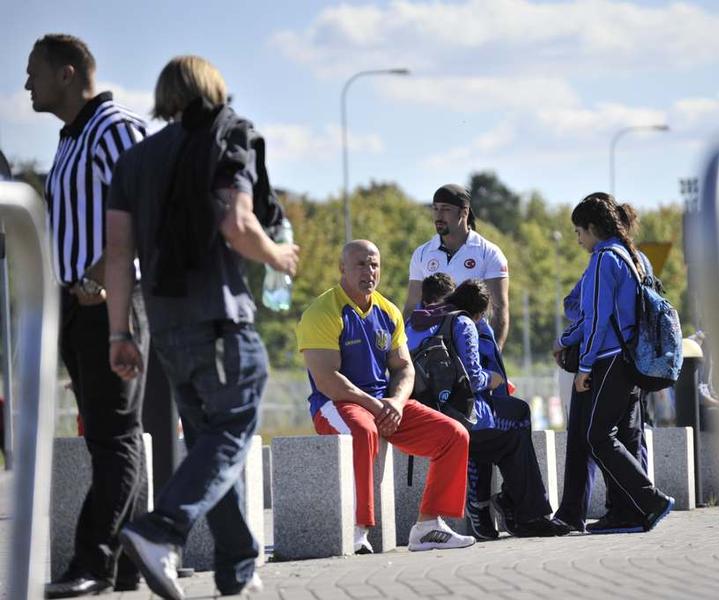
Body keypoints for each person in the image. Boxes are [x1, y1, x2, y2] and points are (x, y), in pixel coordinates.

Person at [104, 55, 299, 600]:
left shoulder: (135, 159)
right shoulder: (228, 134)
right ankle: (159, 529)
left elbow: (117, 254)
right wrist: (279, 255)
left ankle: (237, 569)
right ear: (212, 88)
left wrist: (120, 333)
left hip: (163, 326)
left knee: (215, 446)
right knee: (232, 431)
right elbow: (237, 223)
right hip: (220, 318)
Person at [26, 34, 149, 598]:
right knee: (107, 436)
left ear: (68, 72)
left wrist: (100, 281)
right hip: (80, 308)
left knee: (114, 437)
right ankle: (126, 565)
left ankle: (92, 562)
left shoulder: (114, 127)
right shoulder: (69, 139)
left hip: (110, 303)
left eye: (34, 72)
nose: (27, 84)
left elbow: (146, 209)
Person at [296, 240, 475, 554]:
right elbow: (327, 379)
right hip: (336, 404)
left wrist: (395, 402)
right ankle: (357, 531)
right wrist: (377, 405)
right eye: (360, 265)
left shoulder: (389, 310)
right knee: (362, 431)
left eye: (374, 264)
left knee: (454, 434)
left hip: (383, 405)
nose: (369, 271)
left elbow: (404, 368)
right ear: (342, 268)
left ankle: (428, 526)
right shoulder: (322, 311)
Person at [409, 276, 568, 538]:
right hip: (458, 419)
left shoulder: (414, 322)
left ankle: (505, 506)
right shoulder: (463, 322)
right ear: (480, 312)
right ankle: (516, 511)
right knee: (513, 431)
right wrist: (492, 378)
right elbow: (473, 379)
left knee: (510, 427)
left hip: (422, 414)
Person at [553, 200, 653, 533]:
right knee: (627, 436)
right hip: (634, 359)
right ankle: (632, 511)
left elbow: (595, 317)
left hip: (607, 359)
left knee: (597, 436)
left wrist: (580, 362)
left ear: (593, 228)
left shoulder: (603, 259)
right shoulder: (636, 257)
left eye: (578, 231)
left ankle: (649, 501)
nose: (578, 239)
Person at [403, 184, 510, 349]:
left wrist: (494, 354)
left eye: (445, 209)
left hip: (472, 347)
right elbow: (411, 306)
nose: (438, 215)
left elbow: (499, 309)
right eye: (435, 209)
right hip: (430, 352)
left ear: (464, 212)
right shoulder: (422, 253)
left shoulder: (489, 252)